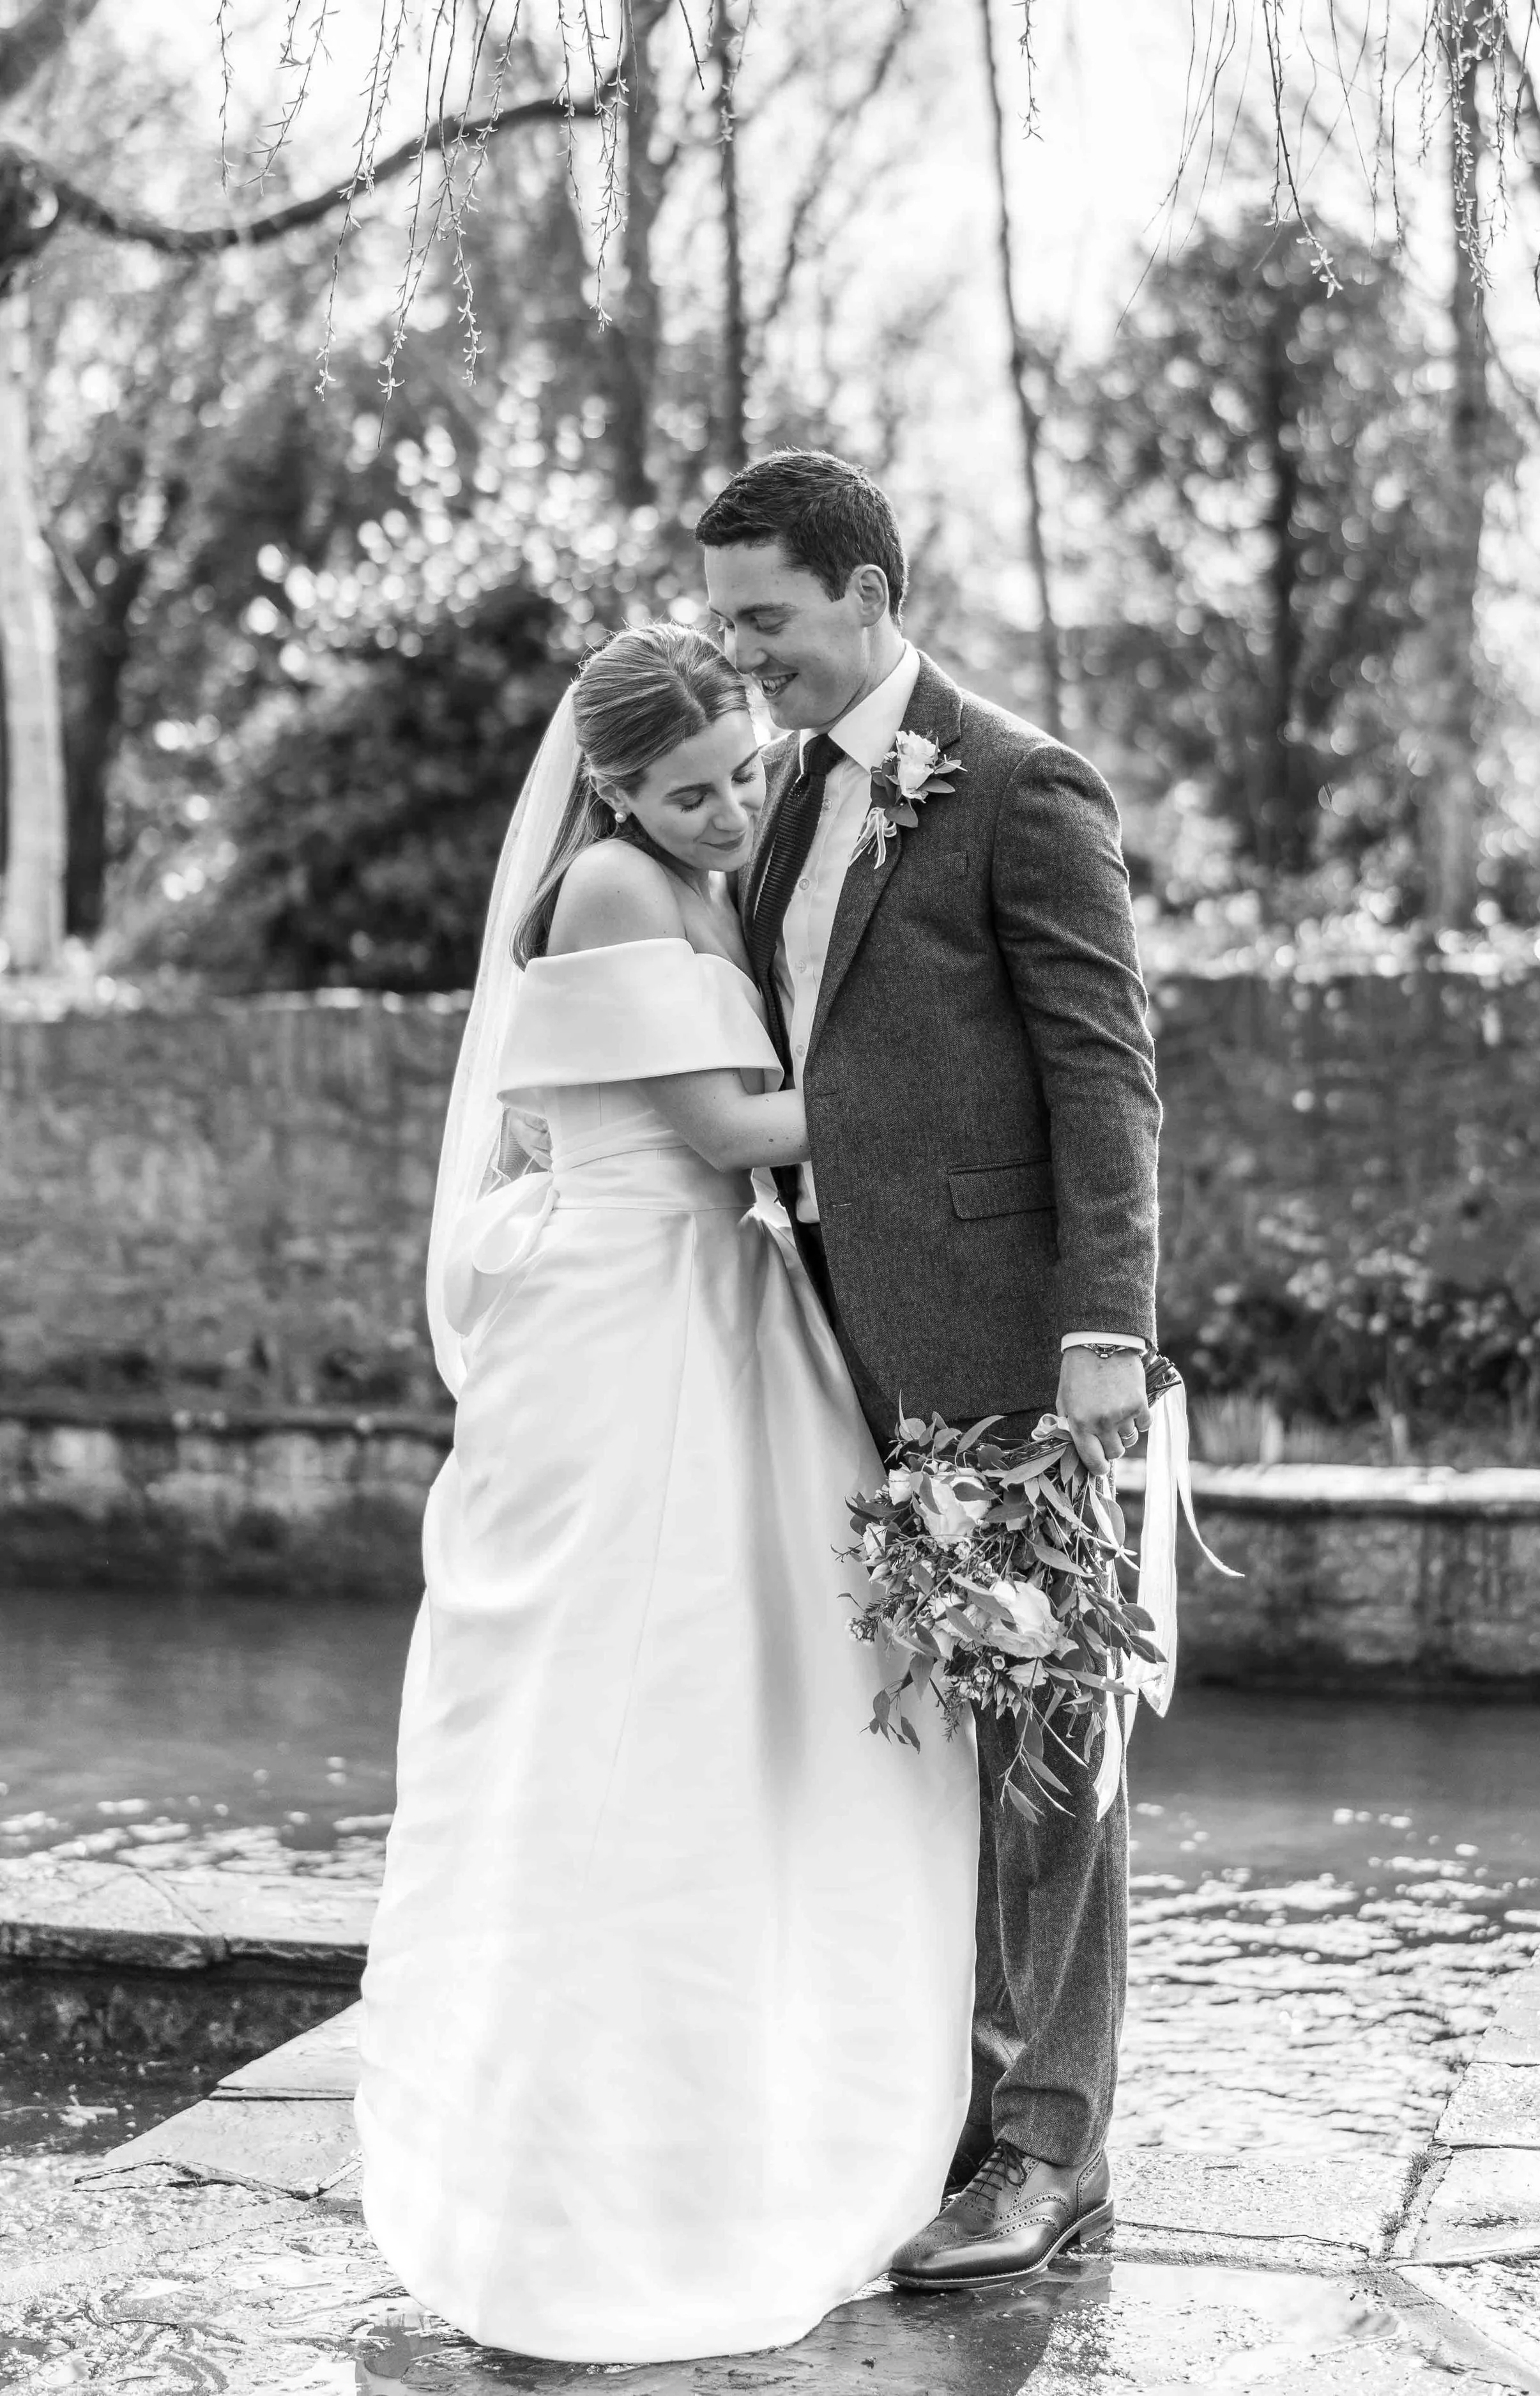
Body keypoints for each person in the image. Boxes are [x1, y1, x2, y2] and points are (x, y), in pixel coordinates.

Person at [354, 624, 977, 2363]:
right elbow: (717, 1128)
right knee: (643, 1705)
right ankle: (605, 2170)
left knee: (772, 1703)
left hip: (719, 1305)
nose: (731, 809)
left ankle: (777, 2106)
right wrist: (948, 1088)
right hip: (634, 1325)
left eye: (747, 774)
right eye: (691, 789)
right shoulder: (620, 892)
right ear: (612, 787)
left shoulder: (710, 867)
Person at [696, 450, 1163, 2289]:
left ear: (870, 593)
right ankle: (929, 2093)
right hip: (811, 1329)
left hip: (994, 1343)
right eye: (727, 619)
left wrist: (1104, 1331)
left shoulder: (1016, 784)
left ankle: (1050, 2142)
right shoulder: (780, 796)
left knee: (1044, 1728)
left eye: (769, 619)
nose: (745, 656)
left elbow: (1103, 1070)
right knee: (892, 1729)